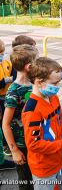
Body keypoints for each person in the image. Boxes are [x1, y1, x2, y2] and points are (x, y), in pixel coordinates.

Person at [22, 57, 62, 190]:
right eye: (55, 83)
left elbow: (59, 122)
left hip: (57, 161)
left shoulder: (53, 98)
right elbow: (34, 144)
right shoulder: (32, 110)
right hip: (43, 168)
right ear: (39, 82)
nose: (57, 87)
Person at [3, 44, 38, 190]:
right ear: (29, 66)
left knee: (39, 176)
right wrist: (14, 151)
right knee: (25, 181)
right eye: (37, 62)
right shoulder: (14, 90)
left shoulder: (36, 83)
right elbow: (5, 124)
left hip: (36, 141)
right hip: (22, 146)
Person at [0, 39, 15, 171]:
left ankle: (7, 142)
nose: (2, 56)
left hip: (6, 96)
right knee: (2, 123)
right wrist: (4, 81)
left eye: (2, 53)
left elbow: (12, 72)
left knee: (7, 120)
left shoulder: (6, 62)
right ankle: (6, 145)